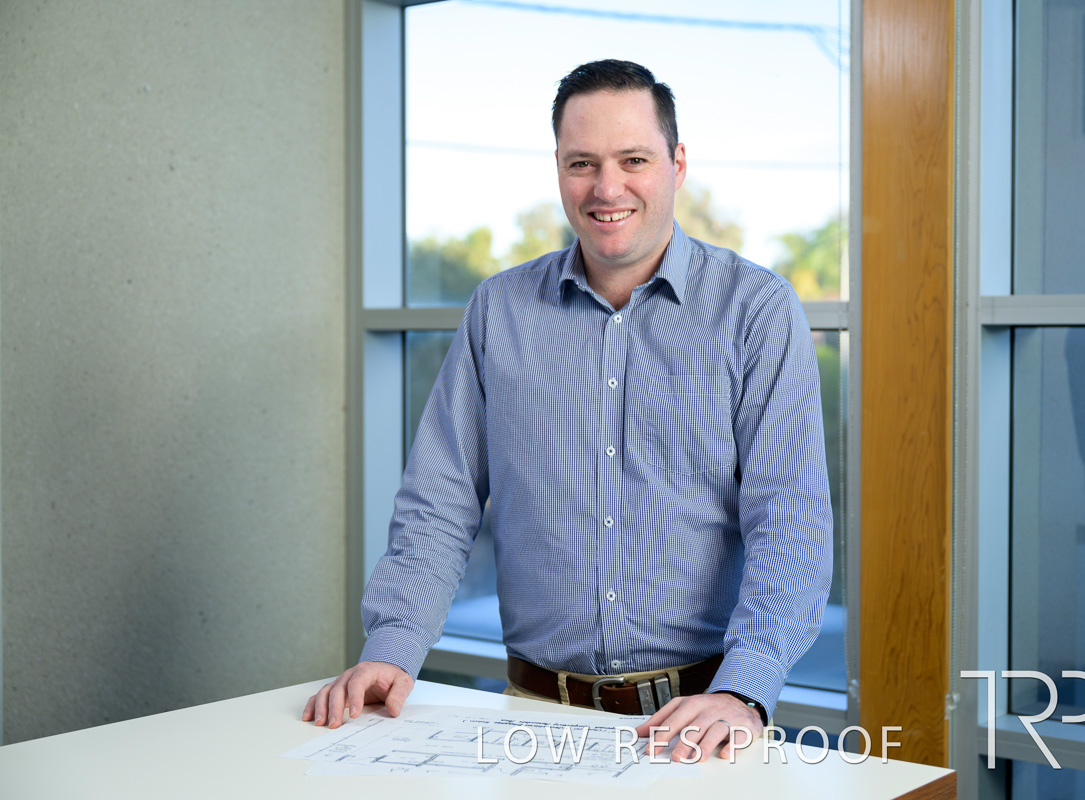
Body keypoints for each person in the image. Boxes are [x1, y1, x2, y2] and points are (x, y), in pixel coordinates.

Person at [303, 59, 833, 762]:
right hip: (529, 722)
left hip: (699, 725)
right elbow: (440, 498)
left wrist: (745, 689)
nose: (607, 188)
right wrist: (392, 646)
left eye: (634, 160)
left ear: (677, 164)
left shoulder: (755, 310)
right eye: (582, 163)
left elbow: (789, 516)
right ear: (558, 169)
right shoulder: (498, 310)